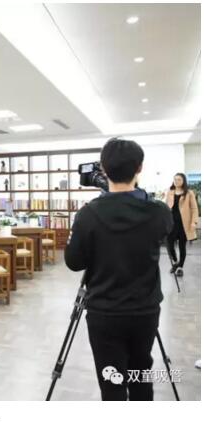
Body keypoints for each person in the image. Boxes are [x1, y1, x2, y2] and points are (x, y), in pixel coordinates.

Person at [65, 138, 172, 401]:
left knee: (112, 383)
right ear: (140, 168)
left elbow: (74, 262)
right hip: (145, 310)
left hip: (104, 312)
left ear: (103, 168)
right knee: (141, 375)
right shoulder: (158, 212)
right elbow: (160, 230)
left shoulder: (88, 214)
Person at [165, 173, 199, 277]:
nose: (176, 181)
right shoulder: (170, 192)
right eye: (175, 179)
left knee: (182, 246)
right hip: (171, 223)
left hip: (184, 224)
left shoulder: (189, 193)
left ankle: (180, 267)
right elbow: (166, 207)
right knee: (169, 245)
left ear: (183, 181)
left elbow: (194, 208)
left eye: (179, 179)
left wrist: (194, 222)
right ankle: (175, 262)